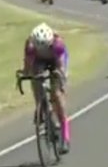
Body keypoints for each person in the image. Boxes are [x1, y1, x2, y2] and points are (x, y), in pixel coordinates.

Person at [21, 23, 71, 154]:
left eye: (45, 46)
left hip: (56, 60)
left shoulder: (57, 44)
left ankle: (65, 137)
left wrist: (60, 77)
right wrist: (25, 74)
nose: (42, 48)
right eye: (39, 46)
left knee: (57, 93)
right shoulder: (30, 45)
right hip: (39, 61)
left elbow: (60, 67)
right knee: (35, 78)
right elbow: (27, 66)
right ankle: (40, 105)